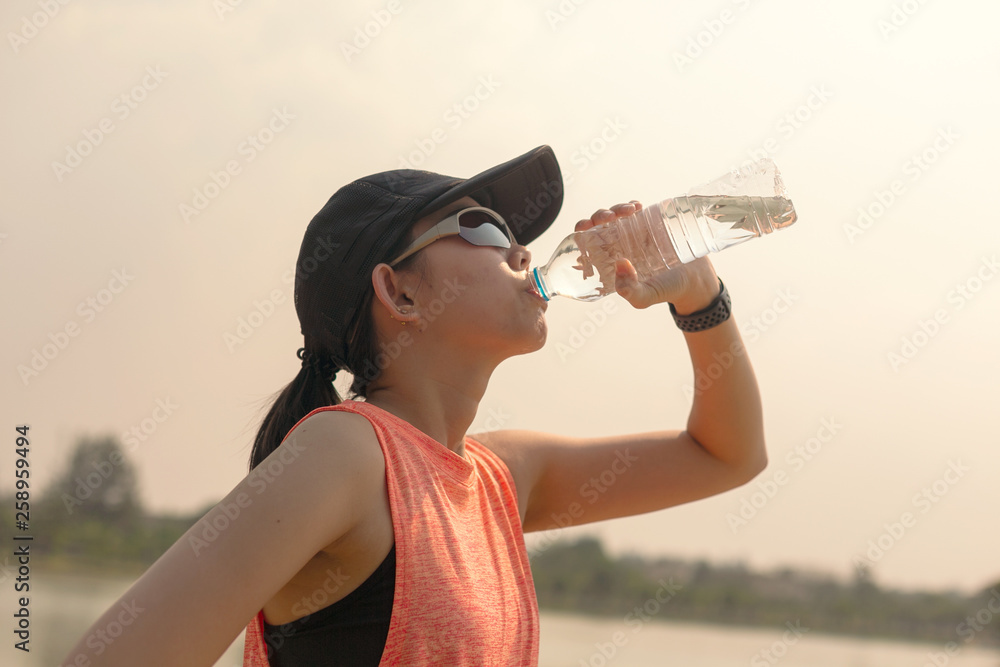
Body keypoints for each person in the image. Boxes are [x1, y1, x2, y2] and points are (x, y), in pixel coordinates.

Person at [60, 145, 766, 666]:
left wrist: (698, 297)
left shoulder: (501, 479)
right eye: (484, 230)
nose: (523, 251)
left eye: (513, 234)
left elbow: (727, 456)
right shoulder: (345, 454)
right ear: (400, 293)